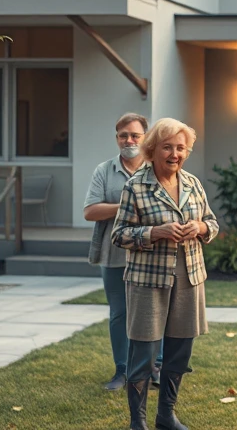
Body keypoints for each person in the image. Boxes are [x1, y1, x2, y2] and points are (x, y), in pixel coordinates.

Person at [112, 117, 219, 430]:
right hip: (148, 282)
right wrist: (155, 232)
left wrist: (199, 227)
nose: (175, 153)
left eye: (181, 148)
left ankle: (166, 416)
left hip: (189, 280)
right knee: (143, 354)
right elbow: (119, 234)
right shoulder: (135, 186)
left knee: (179, 353)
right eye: (168, 147)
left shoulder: (193, 184)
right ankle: (138, 422)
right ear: (152, 149)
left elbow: (212, 223)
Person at [83, 113, 164, 391]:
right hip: (115, 254)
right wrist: (126, 206)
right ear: (117, 138)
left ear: (145, 137)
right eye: (122, 135)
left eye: (134, 135)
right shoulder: (104, 171)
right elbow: (90, 211)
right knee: (119, 313)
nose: (128, 140)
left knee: (154, 311)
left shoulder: (158, 169)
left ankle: (155, 367)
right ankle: (123, 371)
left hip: (152, 255)